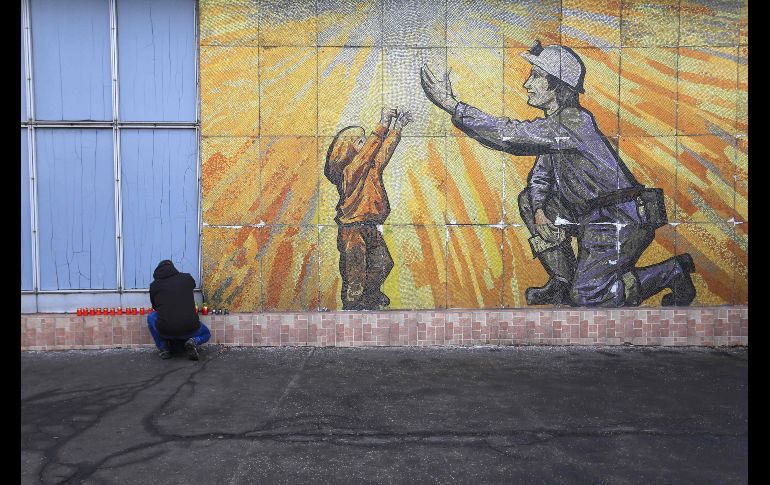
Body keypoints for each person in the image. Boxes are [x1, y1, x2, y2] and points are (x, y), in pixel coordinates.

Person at [420, 40, 696, 307]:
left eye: (536, 76)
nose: (527, 84)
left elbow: (510, 135)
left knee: (589, 298)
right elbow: (541, 177)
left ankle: (672, 272)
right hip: (589, 217)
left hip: (616, 220)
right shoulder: (555, 127)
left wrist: (453, 106)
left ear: (557, 86)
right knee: (529, 199)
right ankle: (563, 281)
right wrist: (540, 208)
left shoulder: (573, 121)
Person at [324, 107, 412, 310]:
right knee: (355, 275)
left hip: (370, 226)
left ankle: (370, 294)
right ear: (347, 151)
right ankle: (353, 308)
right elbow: (365, 156)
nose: (366, 145)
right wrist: (382, 124)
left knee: (384, 264)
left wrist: (397, 127)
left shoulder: (370, 170)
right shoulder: (349, 173)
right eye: (360, 142)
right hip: (352, 230)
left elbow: (382, 153)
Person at [148, 260, 211, 360]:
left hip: (166, 330)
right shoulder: (186, 278)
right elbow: (193, 285)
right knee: (206, 333)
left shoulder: (154, 285)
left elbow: (155, 307)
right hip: (189, 328)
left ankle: (165, 349)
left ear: (157, 271)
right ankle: (193, 341)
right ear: (173, 268)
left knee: (151, 316)